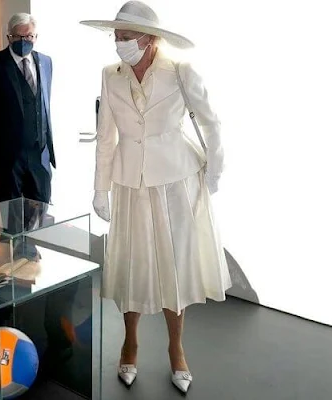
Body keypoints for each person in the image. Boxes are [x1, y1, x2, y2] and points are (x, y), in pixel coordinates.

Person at [80, 1, 232, 393]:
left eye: (127, 37)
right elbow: (106, 136)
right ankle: (129, 343)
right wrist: (100, 188)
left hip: (175, 182)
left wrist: (215, 169)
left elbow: (212, 123)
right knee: (132, 263)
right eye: (116, 37)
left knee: (173, 266)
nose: (119, 44)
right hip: (130, 183)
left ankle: (176, 348)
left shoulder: (181, 71)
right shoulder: (110, 76)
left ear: (149, 39)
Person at [0, 12, 55, 206]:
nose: (23, 41)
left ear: (35, 37)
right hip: (7, 158)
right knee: (12, 217)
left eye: (28, 36)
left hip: (39, 153)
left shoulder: (46, 62)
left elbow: (44, 103)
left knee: (42, 209)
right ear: (9, 36)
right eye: (18, 36)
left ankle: (34, 238)